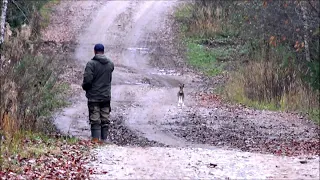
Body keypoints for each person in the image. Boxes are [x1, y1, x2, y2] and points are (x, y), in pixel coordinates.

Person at [82, 43, 114, 142]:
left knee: (95, 120)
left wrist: (85, 87)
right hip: (106, 96)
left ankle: (95, 141)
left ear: (95, 51)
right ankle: (104, 141)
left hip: (94, 96)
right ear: (103, 51)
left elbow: (87, 80)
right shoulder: (110, 64)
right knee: (105, 119)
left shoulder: (91, 64)